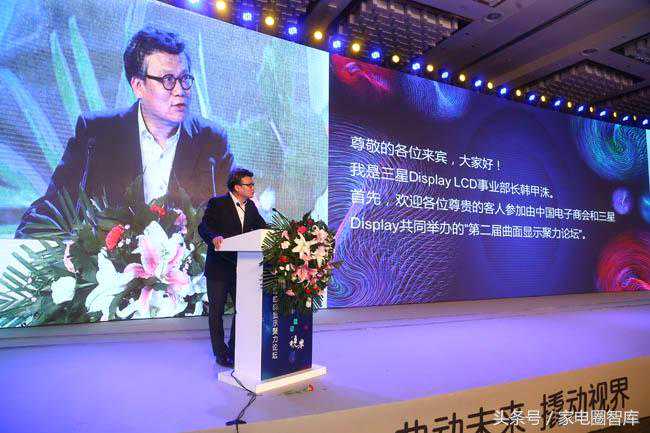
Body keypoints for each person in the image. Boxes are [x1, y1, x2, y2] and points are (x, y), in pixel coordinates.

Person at [15, 26, 233, 238]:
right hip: (107, 262)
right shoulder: (97, 135)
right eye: (168, 80)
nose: (180, 90)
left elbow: (236, 217)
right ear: (138, 86)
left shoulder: (211, 141)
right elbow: (52, 210)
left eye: (185, 79)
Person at [198, 168, 267, 368]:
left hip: (242, 269)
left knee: (242, 310)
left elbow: (263, 229)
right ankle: (220, 353)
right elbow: (204, 226)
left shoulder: (251, 206)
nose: (253, 188)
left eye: (253, 184)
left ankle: (235, 349)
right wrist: (214, 237)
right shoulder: (218, 203)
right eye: (249, 185)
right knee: (216, 312)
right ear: (237, 187)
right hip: (219, 268)